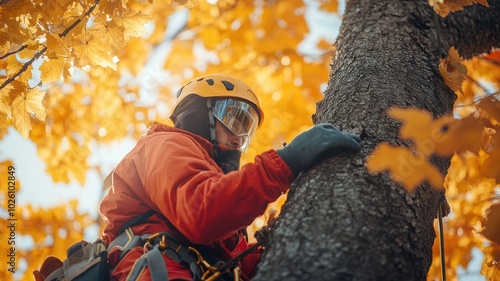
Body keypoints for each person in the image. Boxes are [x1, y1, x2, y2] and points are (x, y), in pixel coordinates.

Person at [99, 74, 362, 281]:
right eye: (235, 120)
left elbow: (243, 262)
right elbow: (202, 212)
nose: (239, 138)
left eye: (246, 130)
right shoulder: (165, 144)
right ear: (200, 115)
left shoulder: (217, 187)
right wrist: (288, 161)